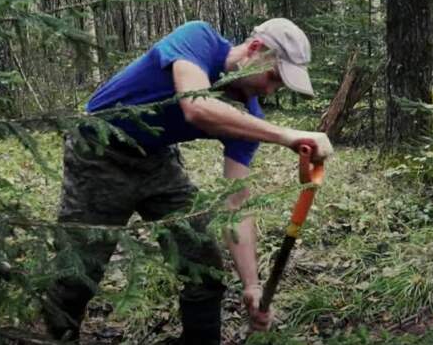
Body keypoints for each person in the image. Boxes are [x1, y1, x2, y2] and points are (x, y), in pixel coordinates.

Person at [41, 18, 333, 343]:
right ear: (254, 49)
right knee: (78, 271)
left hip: (156, 160)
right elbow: (196, 106)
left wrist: (252, 285)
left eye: (278, 85)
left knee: (203, 267)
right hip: (97, 150)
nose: (269, 90)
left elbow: (236, 203)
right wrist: (287, 135)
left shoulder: (248, 119)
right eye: (272, 77)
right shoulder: (199, 38)